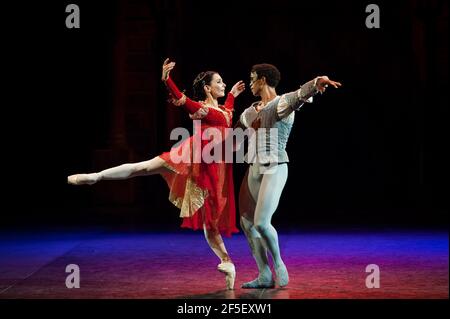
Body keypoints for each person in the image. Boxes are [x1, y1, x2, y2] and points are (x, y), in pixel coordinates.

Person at [67, 58, 245, 290]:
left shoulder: (221, 111)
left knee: (209, 223)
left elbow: (227, 110)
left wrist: (231, 94)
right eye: (219, 82)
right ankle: (96, 176)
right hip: (191, 157)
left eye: (223, 82)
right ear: (207, 88)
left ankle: (227, 262)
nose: (223, 85)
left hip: (209, 166)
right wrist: (166, 79)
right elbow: (183, 101)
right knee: (144, 167)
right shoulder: (205, 109)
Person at [237, 63, 341, 288]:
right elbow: (230, 133)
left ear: (263, 80)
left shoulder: (280, 104)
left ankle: (279, 264)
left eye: (253, 78)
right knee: (247, 223)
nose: (250, 83)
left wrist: (317, 82)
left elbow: (298, 96)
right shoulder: (249, 111)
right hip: (253, 168)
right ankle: (264, 273)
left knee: (262, 223)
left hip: (274, 166)